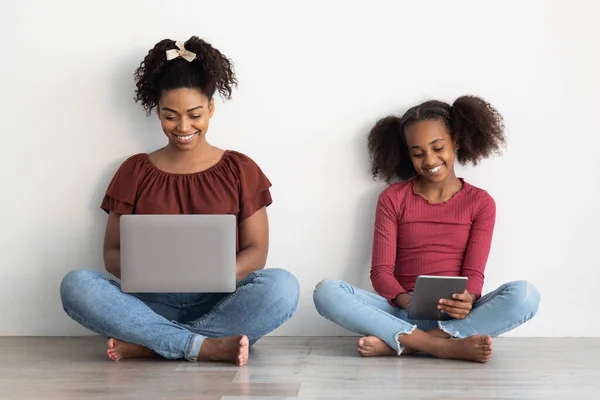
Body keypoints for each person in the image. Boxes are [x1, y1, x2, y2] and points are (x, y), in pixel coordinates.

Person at [60, 37, 299, 366]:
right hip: (147, 303)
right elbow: (111, 253)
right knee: (76, 285)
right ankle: (203, 345)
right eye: (170, 116)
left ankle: (155, 343)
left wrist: (216, 272)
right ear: (157, 112)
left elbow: (256, 251)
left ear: (211, 109)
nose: (183, 126)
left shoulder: (240, 168)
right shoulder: (134, 170)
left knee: (283, 286)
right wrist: (154, 271)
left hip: (220, 302)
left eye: (194, 114)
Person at [313, 95, 540, 363]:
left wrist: (469, 298)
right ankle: (444, 346)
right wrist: (404, 298)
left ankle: (409, 343)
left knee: (525, 295)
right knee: (326, 292)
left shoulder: (480, 202)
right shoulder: (393, 198)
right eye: (418, 153)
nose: (429, 160)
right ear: (407, 154)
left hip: (456, 315)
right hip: (399, 312)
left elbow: (474, 273)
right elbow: (381, 272)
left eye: (437, 147)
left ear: (455, 141)